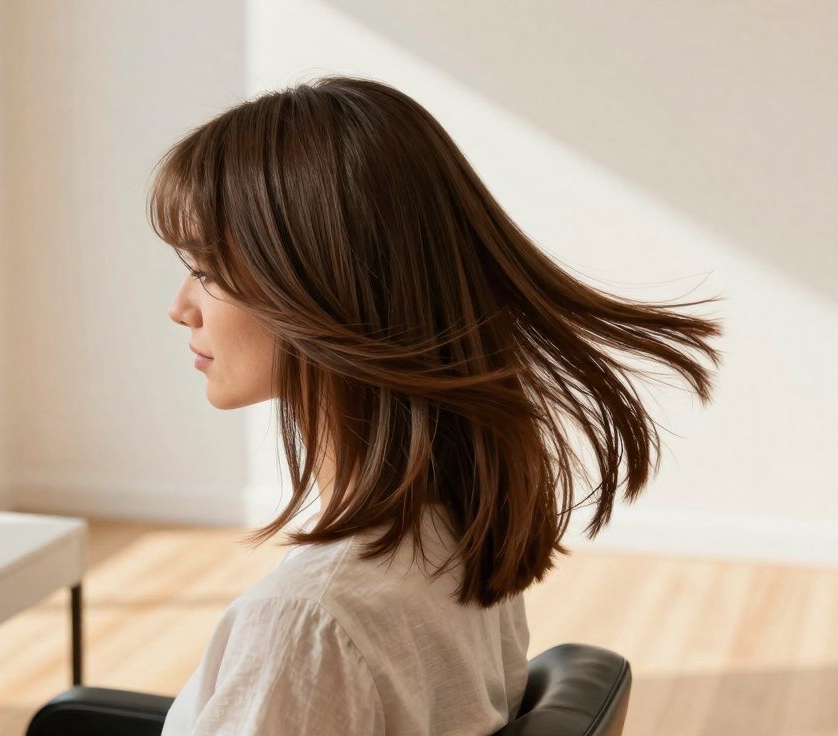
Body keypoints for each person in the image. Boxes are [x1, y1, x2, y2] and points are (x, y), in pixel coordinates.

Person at [154, 74, 722, 736]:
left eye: (207, 271)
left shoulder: (308, 625)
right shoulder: (452, 531)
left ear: (320, 288)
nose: (180, 307)